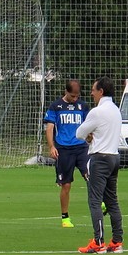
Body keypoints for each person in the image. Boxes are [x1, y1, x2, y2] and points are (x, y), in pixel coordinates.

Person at [76, 77, 123, 254]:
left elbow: (80, 133)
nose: (91, 93)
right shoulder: (116, 110)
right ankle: (117, 241)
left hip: (100, 158)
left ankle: (98, 242)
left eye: (94, 90)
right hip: (114, 157)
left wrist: (89, 135)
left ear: (101, 91)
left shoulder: (97, 111)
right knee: (112, 201)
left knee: (95, 201)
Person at [43, 79, 89, 228]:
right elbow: (49, 128)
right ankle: (65, 218)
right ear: (66, 92)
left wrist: (91, 138)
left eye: (77, 96)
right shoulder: (56, 106)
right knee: (66, 185)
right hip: (63, 149)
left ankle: (101, 202)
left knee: (91, 176)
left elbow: (89, 126)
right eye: (72, 96)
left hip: (81, 147)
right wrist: (52, 147)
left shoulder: (83, 106)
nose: (75, 99)